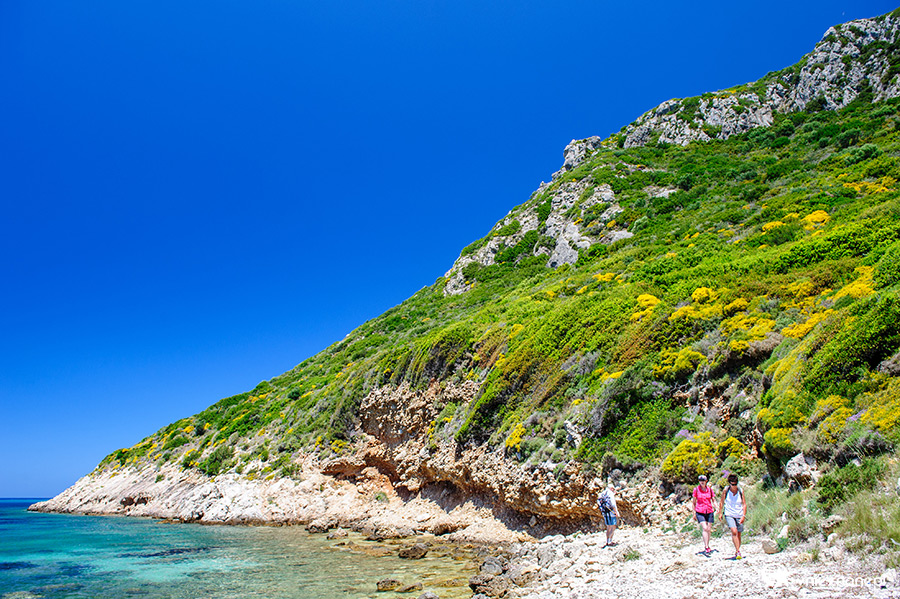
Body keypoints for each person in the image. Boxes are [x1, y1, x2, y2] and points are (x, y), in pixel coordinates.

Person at [717, 473, 747, 560]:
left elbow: (744, 504)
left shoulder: (740, 491)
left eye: (735, 484)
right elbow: (722, 501)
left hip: (739, 514)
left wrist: (743, 515)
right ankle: (738, 551)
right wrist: (720, 512)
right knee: (734, 531)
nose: (734, 486)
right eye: (732, 484)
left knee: (739, 534)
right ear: (729, 484)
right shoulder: (726, 490)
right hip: (729, 513)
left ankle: (737, 549)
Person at [692, 474, 715, 556]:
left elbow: (713, 499)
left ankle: (707, 544)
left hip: (709, 510)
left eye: (703, 480)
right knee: (705, 528)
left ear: (706, 481)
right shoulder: (696, 490)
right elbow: (694, 502)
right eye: (700, 481)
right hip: (700, 511)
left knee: (708, 529)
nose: (701, 482)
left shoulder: (710, 490)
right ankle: (706, 547)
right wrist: (694, 513)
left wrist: (716, 507)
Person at [597, 482, 620, 547]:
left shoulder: (603, 493)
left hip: (605, 512)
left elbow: (598, 501)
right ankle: (610, 541)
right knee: (613, 526)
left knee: (608, 527)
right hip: (611, 512)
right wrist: (616, 512)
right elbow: (613, 504)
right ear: (611, 488)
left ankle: (607, 541)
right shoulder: (610, 494)